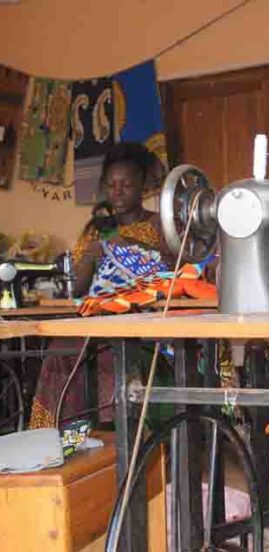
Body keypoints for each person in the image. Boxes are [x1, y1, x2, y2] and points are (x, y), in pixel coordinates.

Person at [29, 142, 173, 429]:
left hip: (144, 323)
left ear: (142, 185)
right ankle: (63, 437)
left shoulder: (161, 227)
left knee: (108, 358)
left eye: (126, 185)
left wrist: (128, 246)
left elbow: (172, 273)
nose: (117, 192)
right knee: (60, 350)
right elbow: (78, 289)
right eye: (111, 185)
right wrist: (91, 257)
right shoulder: (96, 230)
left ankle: (113, 436)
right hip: (98, 318)